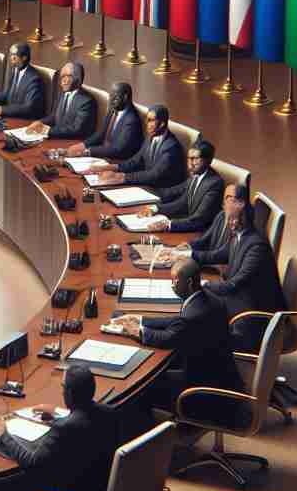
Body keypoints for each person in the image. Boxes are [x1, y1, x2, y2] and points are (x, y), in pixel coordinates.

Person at [105, 259, 241, 406]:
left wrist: (135, 330)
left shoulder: (192, 315)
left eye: (175, 281)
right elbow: (177, 322)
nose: (171, 285)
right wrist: (140, 320)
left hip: (204, 390)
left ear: (189, 283)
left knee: (141, 389)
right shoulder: (207, 298)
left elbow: (166, 339)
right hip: (221, 373)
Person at [191, 184, 285, 350]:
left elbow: (233, 284)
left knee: (200, 324)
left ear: (246, 218)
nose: (230, 224)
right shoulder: (239, 235)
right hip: (238, 303)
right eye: (229, 219)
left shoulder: (257, 247)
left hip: (252, 321)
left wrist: (203, 284)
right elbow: (217, 255)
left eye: (233, 219)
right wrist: (185, 254)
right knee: (198, 311)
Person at [141, 140, 227, 233]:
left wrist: (169, 225)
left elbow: (199, 219)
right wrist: (155, 209)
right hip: (187, 225)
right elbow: (182, 203)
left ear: (209, 160)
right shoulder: (196, 175)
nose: (190, 163)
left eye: (195, 158)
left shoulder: (214, 184)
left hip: (200, 233)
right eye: (189, 158)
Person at [90, 106, 186, 188]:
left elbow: (154, 175)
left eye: (150, 120)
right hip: (146, 185)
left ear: (161, 124)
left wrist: (121, 177)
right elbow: (135, 161)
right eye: (146, 119)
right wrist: (109, 167)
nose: (146, 124)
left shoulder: (171, 147)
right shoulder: (151, 137)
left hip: (160, 192)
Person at [66, 82, 142, 161]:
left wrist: (87, 152)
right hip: (103, 155)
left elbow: (118, 149)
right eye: (110, 96)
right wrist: (82, 145)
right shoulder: (114, 109)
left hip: (117, 161)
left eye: (115, 97)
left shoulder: (132, 120)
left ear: (125, 97)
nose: (111, 100)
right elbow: (101, 134)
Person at [22, 61, 95, 140]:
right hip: (57, 137)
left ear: (78, 78)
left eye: (69, 76)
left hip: (71, 142)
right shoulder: (64, 93)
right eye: (62, 77)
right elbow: (56, 116)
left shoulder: (86, 102)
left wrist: (47, 130)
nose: (63, 81)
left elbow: (76, 130)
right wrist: (40, 122)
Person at [0, 41, 46, 119]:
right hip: (11, 116)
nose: (11, 58)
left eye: (14, 55)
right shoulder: (15, 70)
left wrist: (2, 110)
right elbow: (6, 93)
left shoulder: (34, 79)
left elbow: (29, 108)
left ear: (24, 58)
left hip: (24, 120)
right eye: (11, 54)